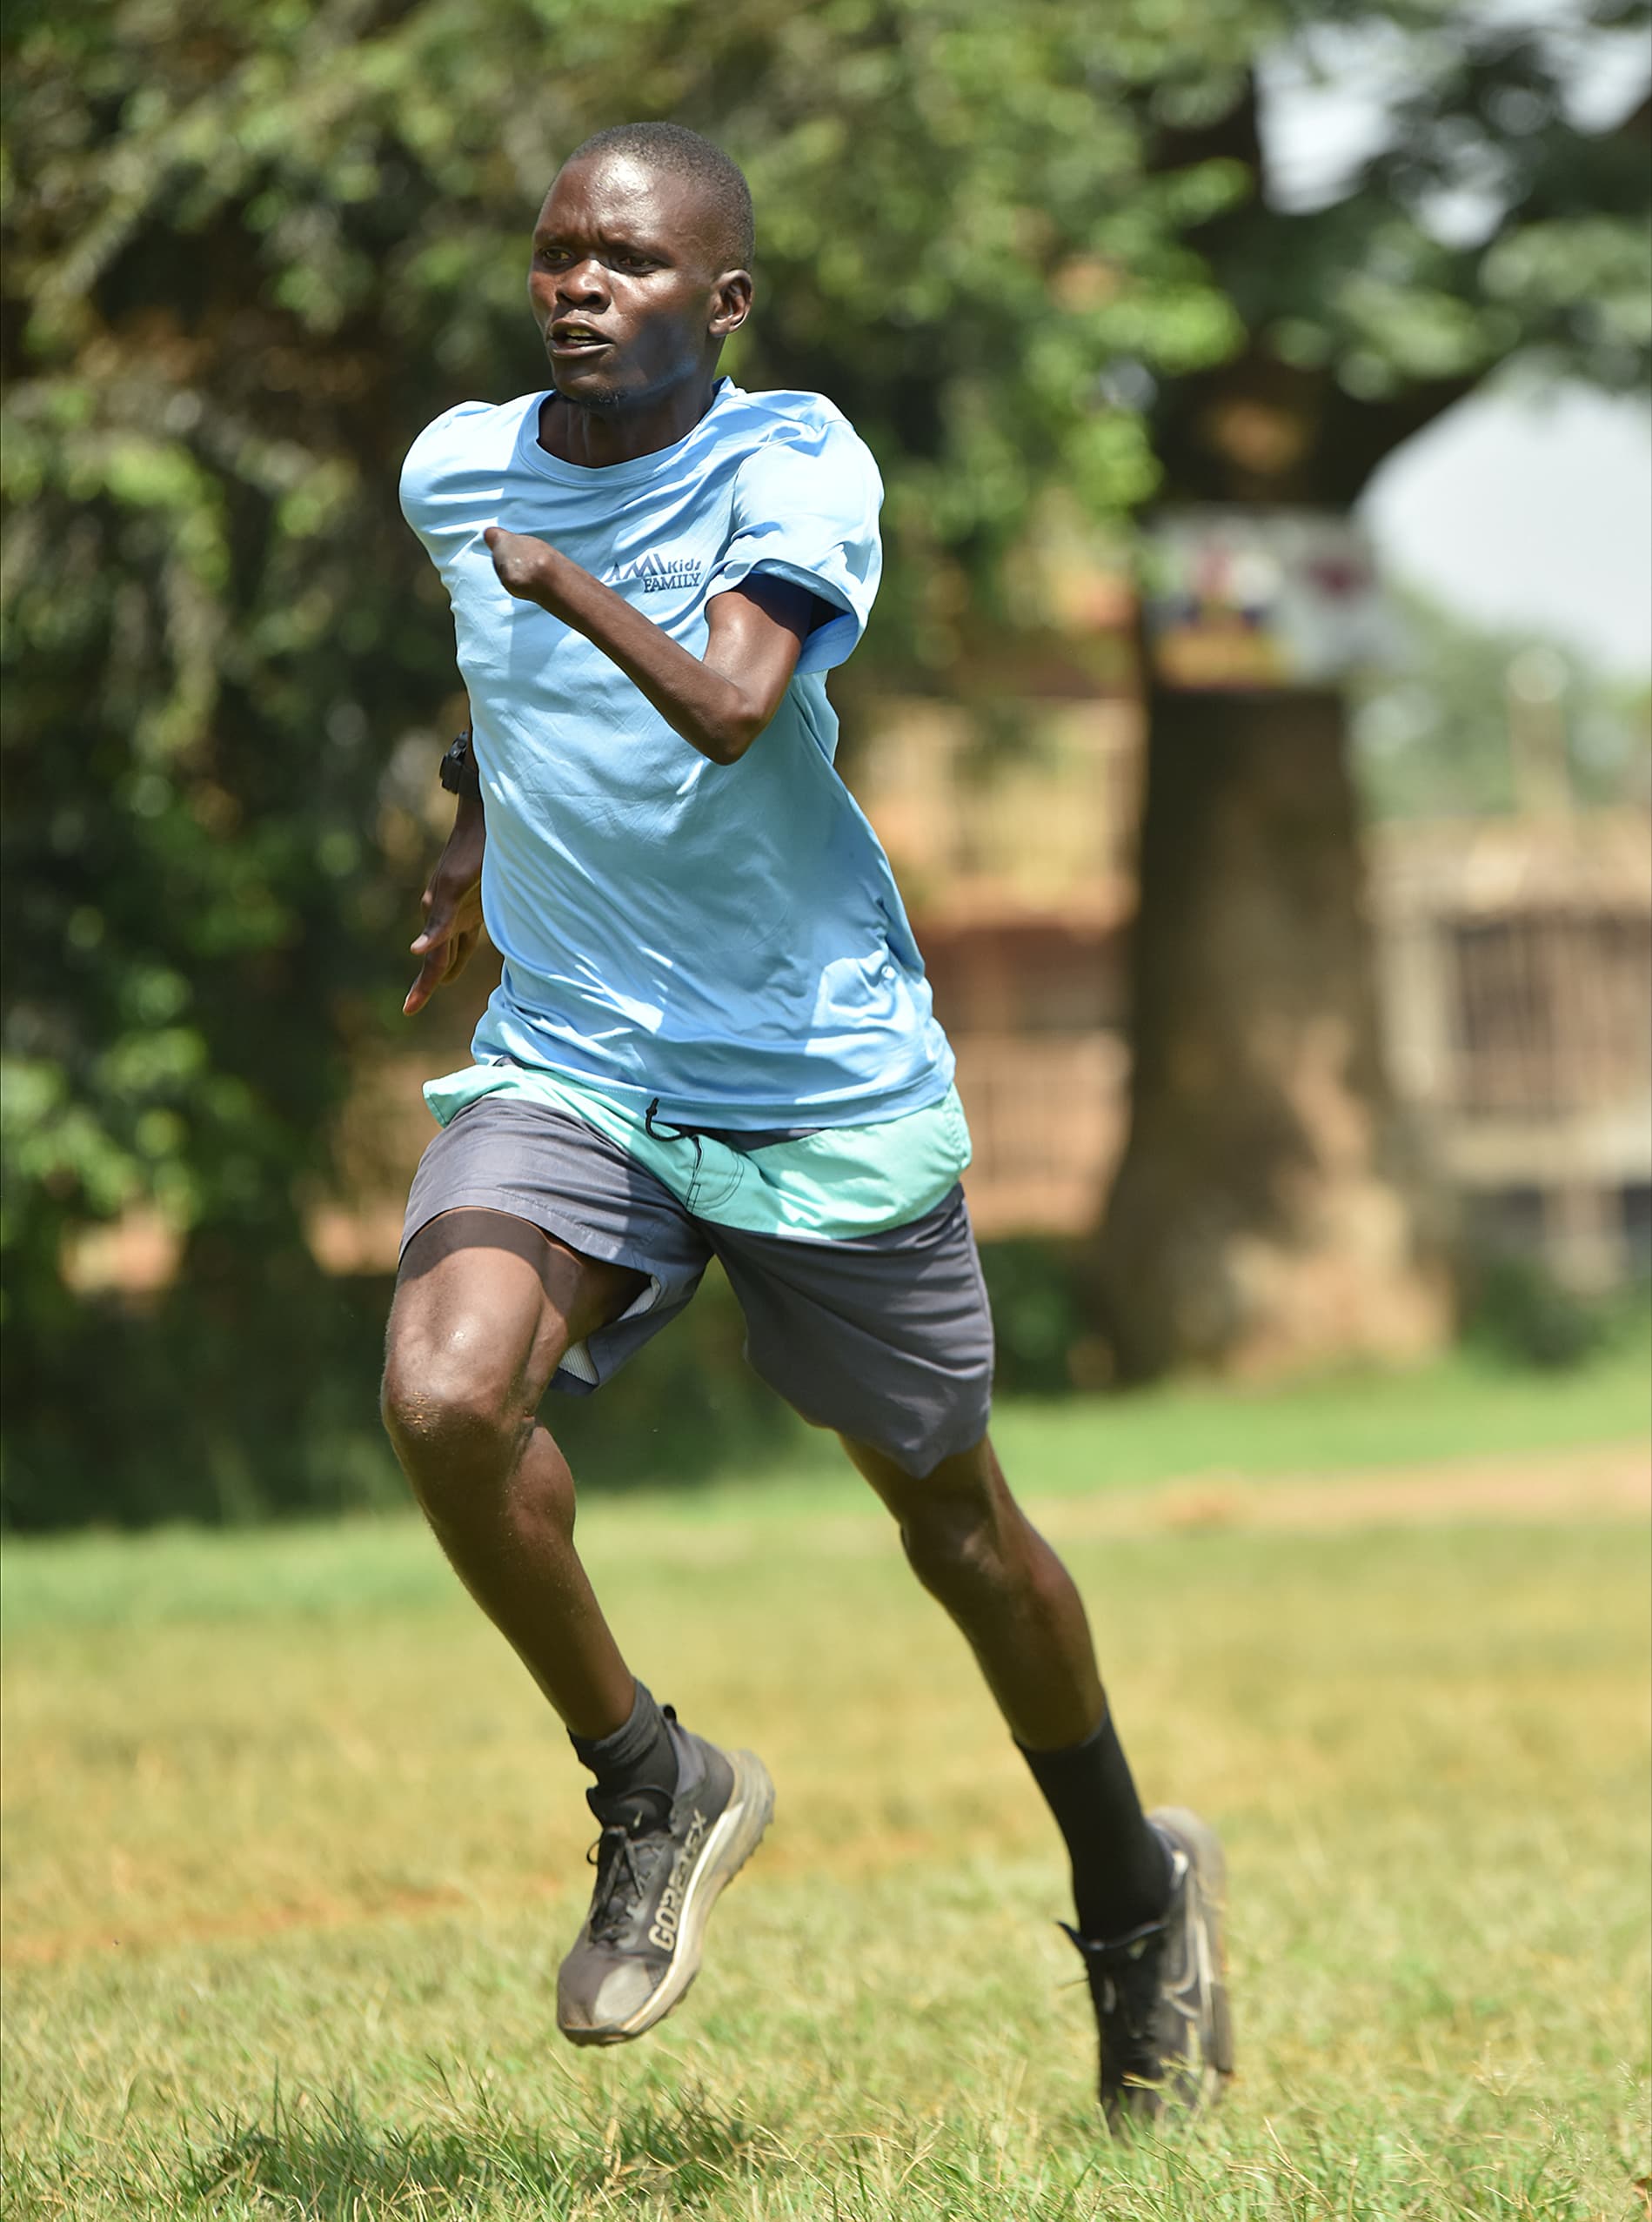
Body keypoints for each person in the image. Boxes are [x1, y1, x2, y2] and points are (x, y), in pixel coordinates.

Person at [385, 119, 1233, 2126]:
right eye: (558, 257)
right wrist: (469, 820)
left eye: (634, 263)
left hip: (813, 1073)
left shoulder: (794, 464)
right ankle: (650, 1778)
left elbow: (732, 706)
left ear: (725, 300)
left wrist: (569, 583)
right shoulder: (458, 470)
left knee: (954, 1524)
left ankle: (1132, 1890)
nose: (582, 287)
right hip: (577, 1045)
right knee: (442, 1390)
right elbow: (505, 690)